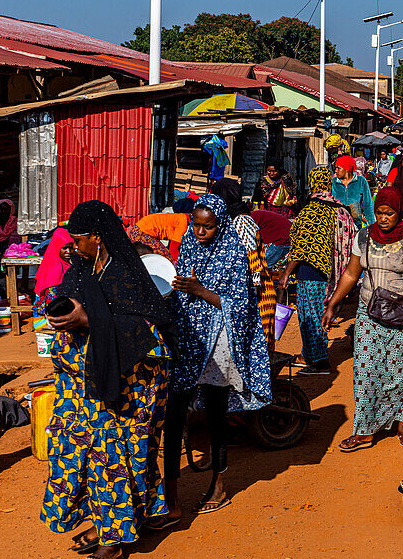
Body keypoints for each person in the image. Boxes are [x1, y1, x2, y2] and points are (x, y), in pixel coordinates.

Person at [41, 201, 173, 559]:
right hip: (86, 381)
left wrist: (88, 322)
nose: (73, 244)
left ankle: (114, 538)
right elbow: (68, 299)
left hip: (131, 380)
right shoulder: (83, 271)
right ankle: (108, 522)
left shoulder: (126, 275)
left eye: (79, 238)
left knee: (116, 455)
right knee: (77, 449)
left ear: (97, 238)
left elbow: (142, 328)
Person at [162, 194, 271, 522]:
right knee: (174, 414)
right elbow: (177, 286)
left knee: (215, 414)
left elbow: (241, 305)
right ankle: (170, 494)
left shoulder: (235, 251)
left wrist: (200, 291)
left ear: (220, 224)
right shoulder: (188, 245)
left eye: (207, 226)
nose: (199, 231)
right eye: (195, 224)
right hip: (189, 338)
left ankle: (219, 485)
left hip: (219, 343)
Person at [321, 188, 403, 451]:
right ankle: (364, 431)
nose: (383, 218)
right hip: (369, 311)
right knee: (365, 369)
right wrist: (333, 303)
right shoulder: (364, 236)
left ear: (400, 212)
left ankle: (401, 424)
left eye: (389, 213)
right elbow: (352, 274)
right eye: (379, 212)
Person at [280, 167, 358, 375]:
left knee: (310, 316)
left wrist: (286, 274)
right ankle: (309, 354)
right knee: (320, 313)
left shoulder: (312, 210)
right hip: (335, 273)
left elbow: (301, 247)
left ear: (312, 182)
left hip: (311, 272)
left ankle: (320, 362)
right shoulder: (341, 209)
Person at [211, 179, 279, 349]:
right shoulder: (232, 219)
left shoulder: (242, 222)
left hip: (257, 296)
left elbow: (251, 259)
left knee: (255, 349)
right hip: (247, 295)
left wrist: (249, 297)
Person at [32, 228, 74, 323]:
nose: (69, 251)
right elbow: (54, 302)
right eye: (64, 248)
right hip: (53, 317)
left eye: (71, 247)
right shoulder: (55, 270)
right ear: (57, 247)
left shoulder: (58, 264)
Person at [332, 155, 376, 227]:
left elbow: (367, 206)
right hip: (337, 225)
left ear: (347, 169)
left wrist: (372, 226)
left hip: (355, 225)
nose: (335, 171)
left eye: (338, 168)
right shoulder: (333, 182)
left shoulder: (361, 181)